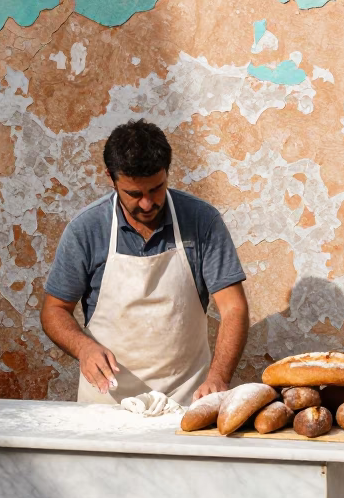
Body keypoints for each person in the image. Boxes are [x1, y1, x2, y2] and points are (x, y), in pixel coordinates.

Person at [41, 119, 249, 405]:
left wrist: (219, 377)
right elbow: (54, 310)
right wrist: (83, 347)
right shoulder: (86, 229)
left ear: (167, 174)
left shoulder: (202, 222)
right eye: (134, 194)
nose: (148, 204)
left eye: (156, 189)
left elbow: (234, 308)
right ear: (111, 178)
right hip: (106, 405)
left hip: (186, 402)